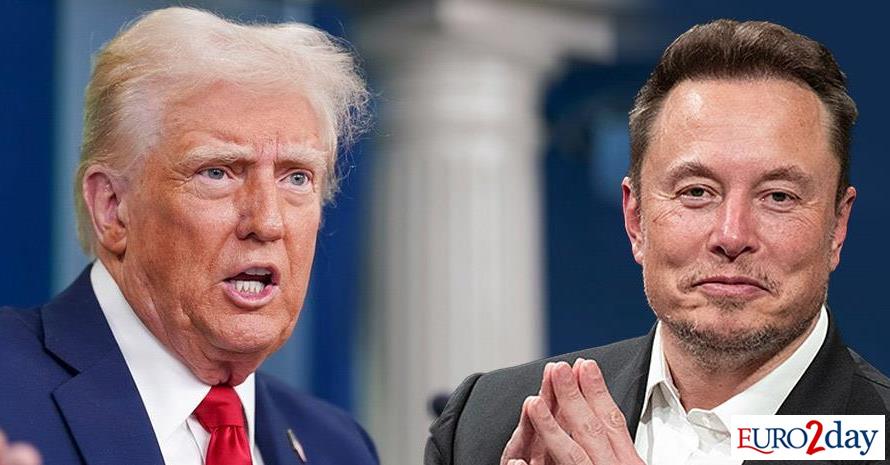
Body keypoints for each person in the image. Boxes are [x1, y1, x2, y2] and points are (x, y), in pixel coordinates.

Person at [426, 19, 890, 465]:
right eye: (696, 192)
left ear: (838, 225)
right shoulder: (486, 421)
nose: (732, 236)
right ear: (635, 219)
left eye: (779, 196)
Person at [0, 7, 376, 465]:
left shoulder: (338, 446)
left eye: (296, 177)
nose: (267, 222)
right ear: (112, 208)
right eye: (217, 172)